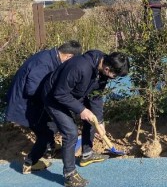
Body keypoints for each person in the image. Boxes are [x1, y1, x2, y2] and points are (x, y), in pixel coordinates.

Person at [42, 50, 130, 187]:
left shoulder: (102, 71)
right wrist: (81, 109)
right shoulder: (80, 67)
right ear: (107, 68)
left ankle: (87, 154)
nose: (114, 78)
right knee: (70, 133)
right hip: (54, 97)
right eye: (115, 75)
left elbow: (96, 96)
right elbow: (59, 94)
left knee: (92, 118)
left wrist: (99, 121)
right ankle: (69, 175)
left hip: (74, 95)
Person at [5, 41, 82, 174]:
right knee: (45, 134)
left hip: (31, 103)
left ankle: (50, 147)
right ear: (69, 57)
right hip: (25, 105)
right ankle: (30, 163)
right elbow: (32, 89)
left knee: (52, 123)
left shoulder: (49, 56)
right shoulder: (44, 63)